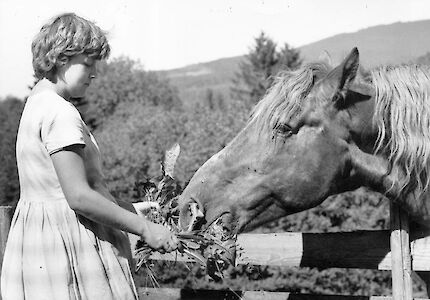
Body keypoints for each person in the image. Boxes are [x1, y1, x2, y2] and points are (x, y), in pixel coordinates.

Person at [1, 13, 179, 300]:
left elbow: (55, 191)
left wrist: (130, 209)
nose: (94, 73)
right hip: (70, 245)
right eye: (88, 63)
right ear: (62, 58)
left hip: (38, 244)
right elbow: (78, 197)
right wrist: (145, 229)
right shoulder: (61, 113)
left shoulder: (35, 105)